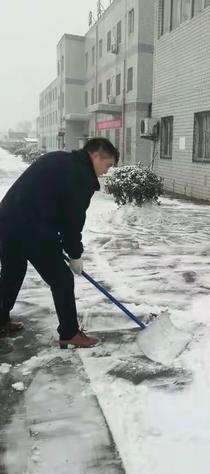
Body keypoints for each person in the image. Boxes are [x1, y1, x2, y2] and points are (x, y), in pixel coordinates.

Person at [0, 138, 119, 347]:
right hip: (31, 227)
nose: (106, 171)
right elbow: (72, 221)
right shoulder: (82, 176)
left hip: (7, 219)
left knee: (13, 271)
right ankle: (69, 333)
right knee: (62, 279)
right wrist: (74, 254)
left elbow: (53, 204)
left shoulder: (59, 158)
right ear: (96, 155)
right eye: (108, 164)